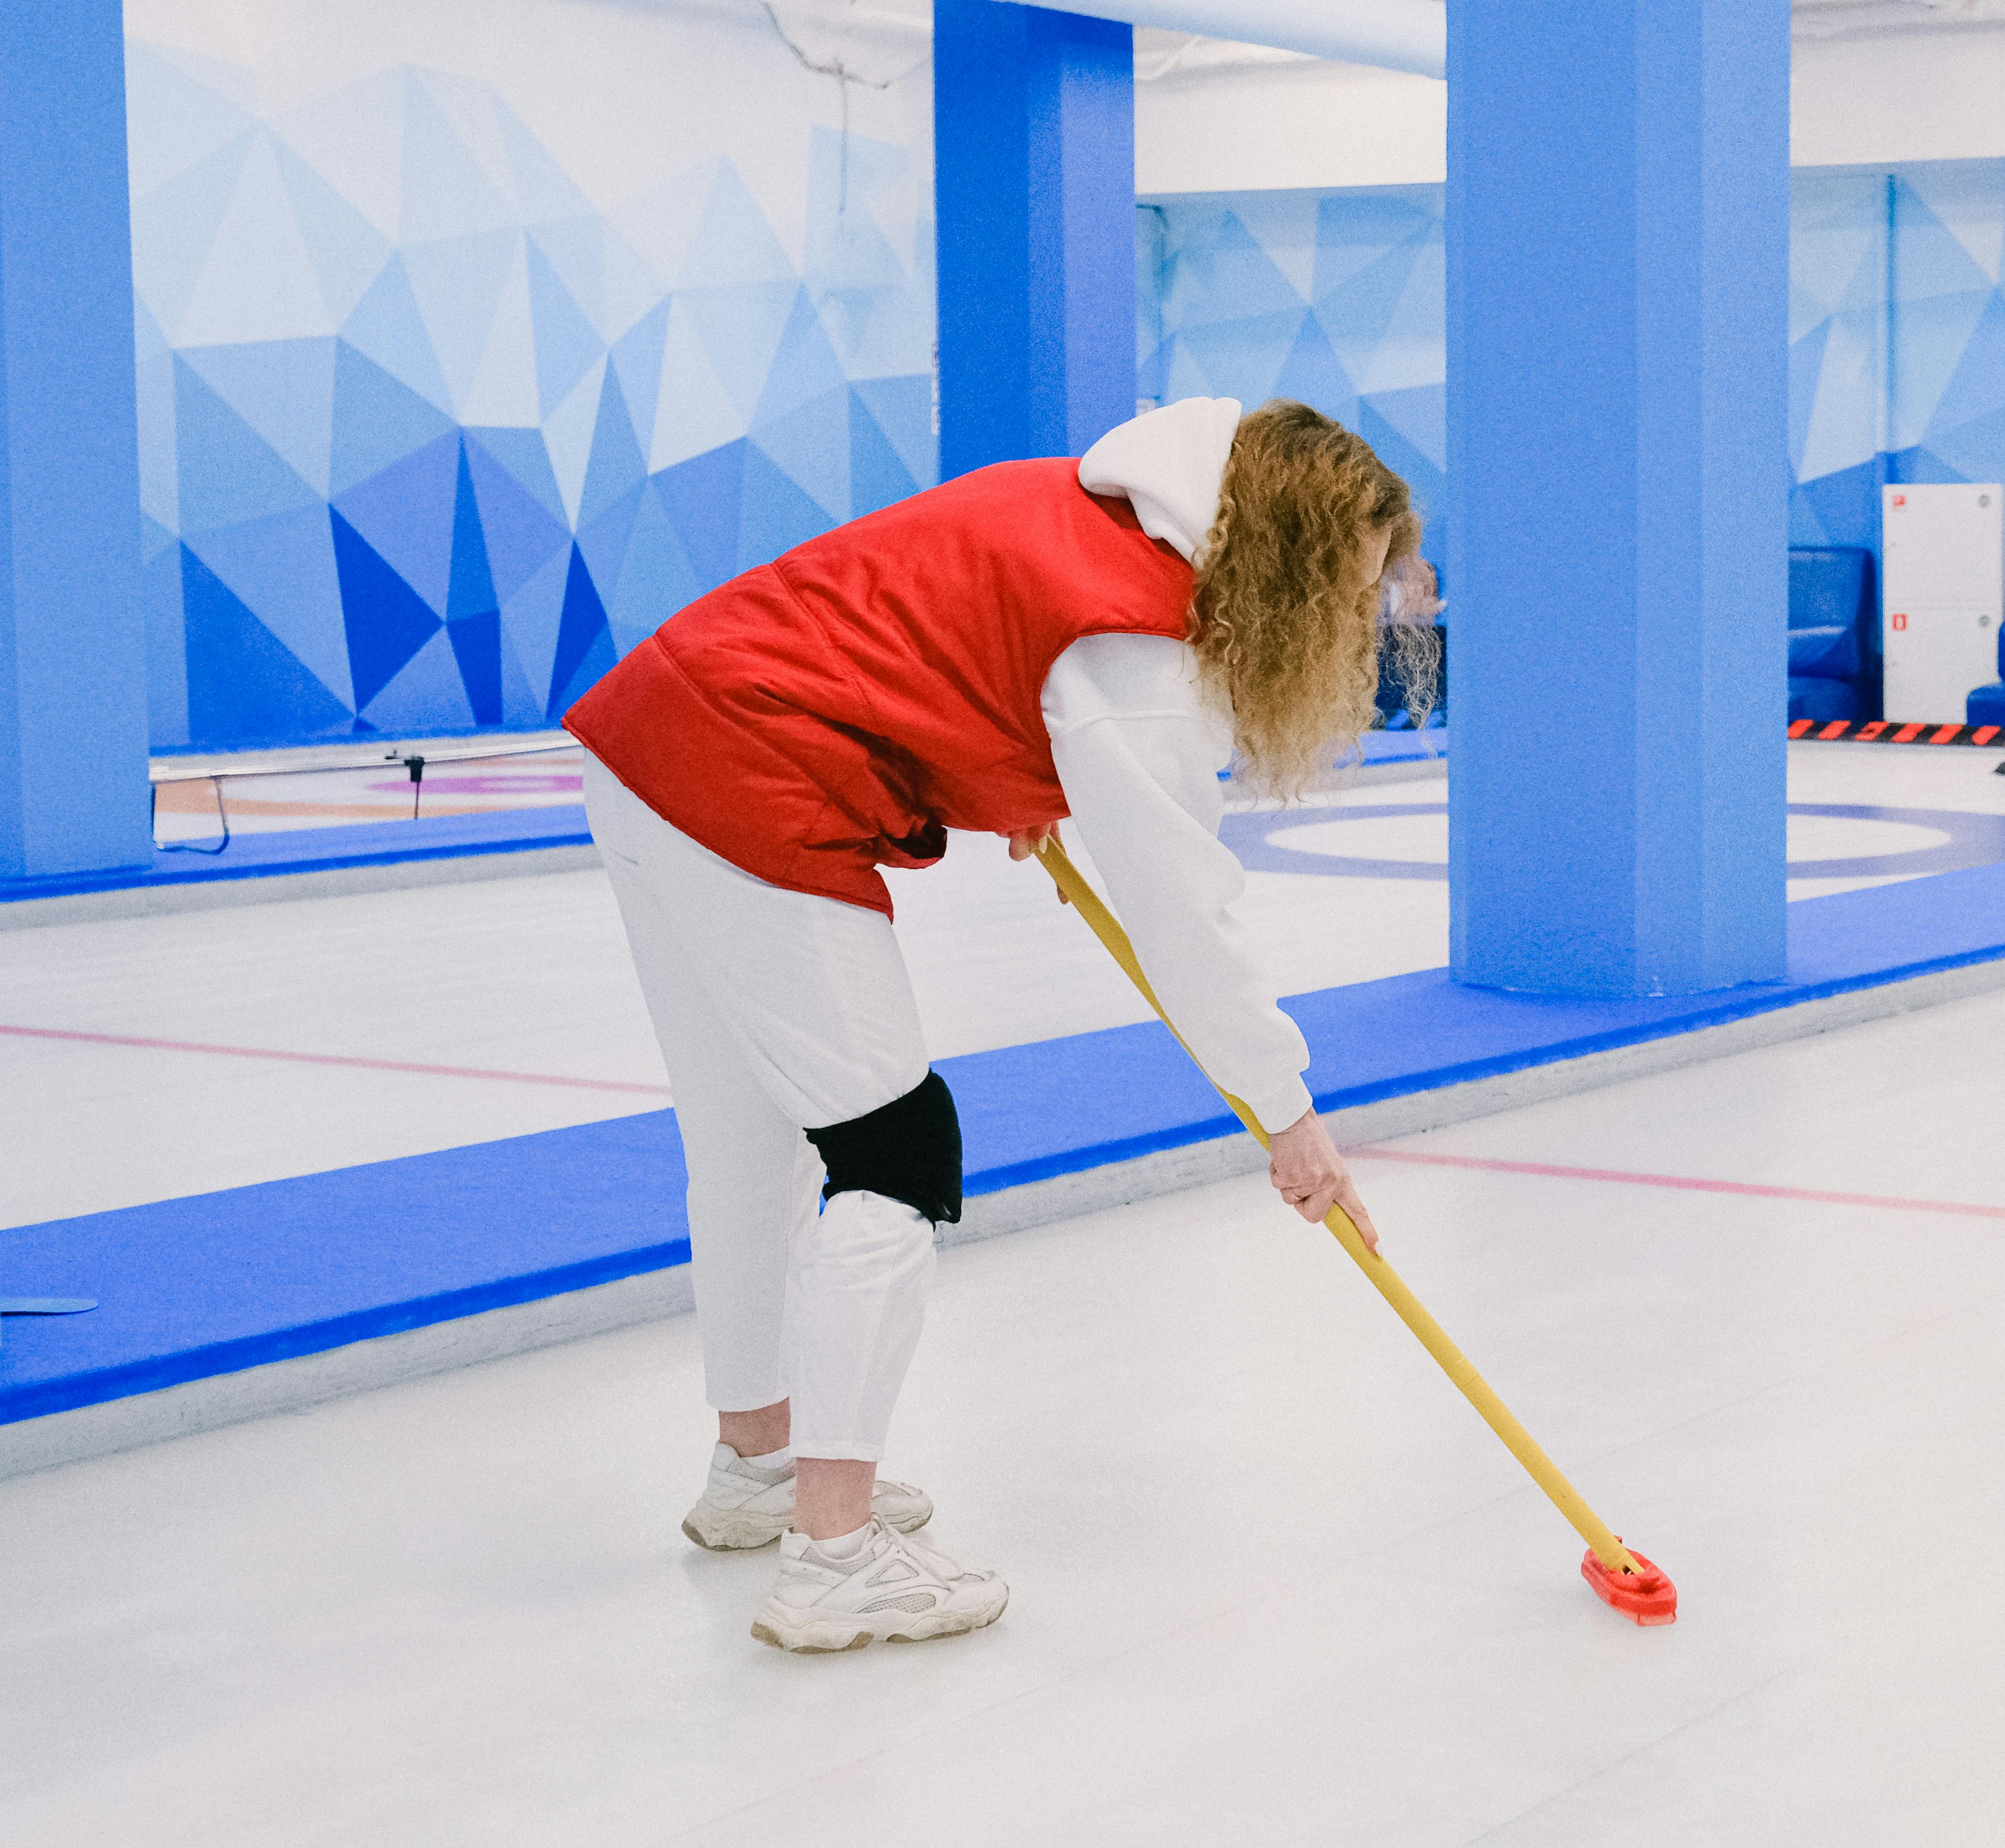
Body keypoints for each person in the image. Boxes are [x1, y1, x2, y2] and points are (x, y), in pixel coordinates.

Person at [568, 395, 1429, 1651]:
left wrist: (1000, 767)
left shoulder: (1095, 507)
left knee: (750, 1139)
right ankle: (836, 1555)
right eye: (1343, 599)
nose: (1352, 627)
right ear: (1283, 568)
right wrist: (1287, 1117)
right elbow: (1187, 918)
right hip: (746, 765)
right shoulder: (1135, 641)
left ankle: (757, 1461)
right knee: (895, 1150)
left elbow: (937, 647)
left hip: (647, 734)